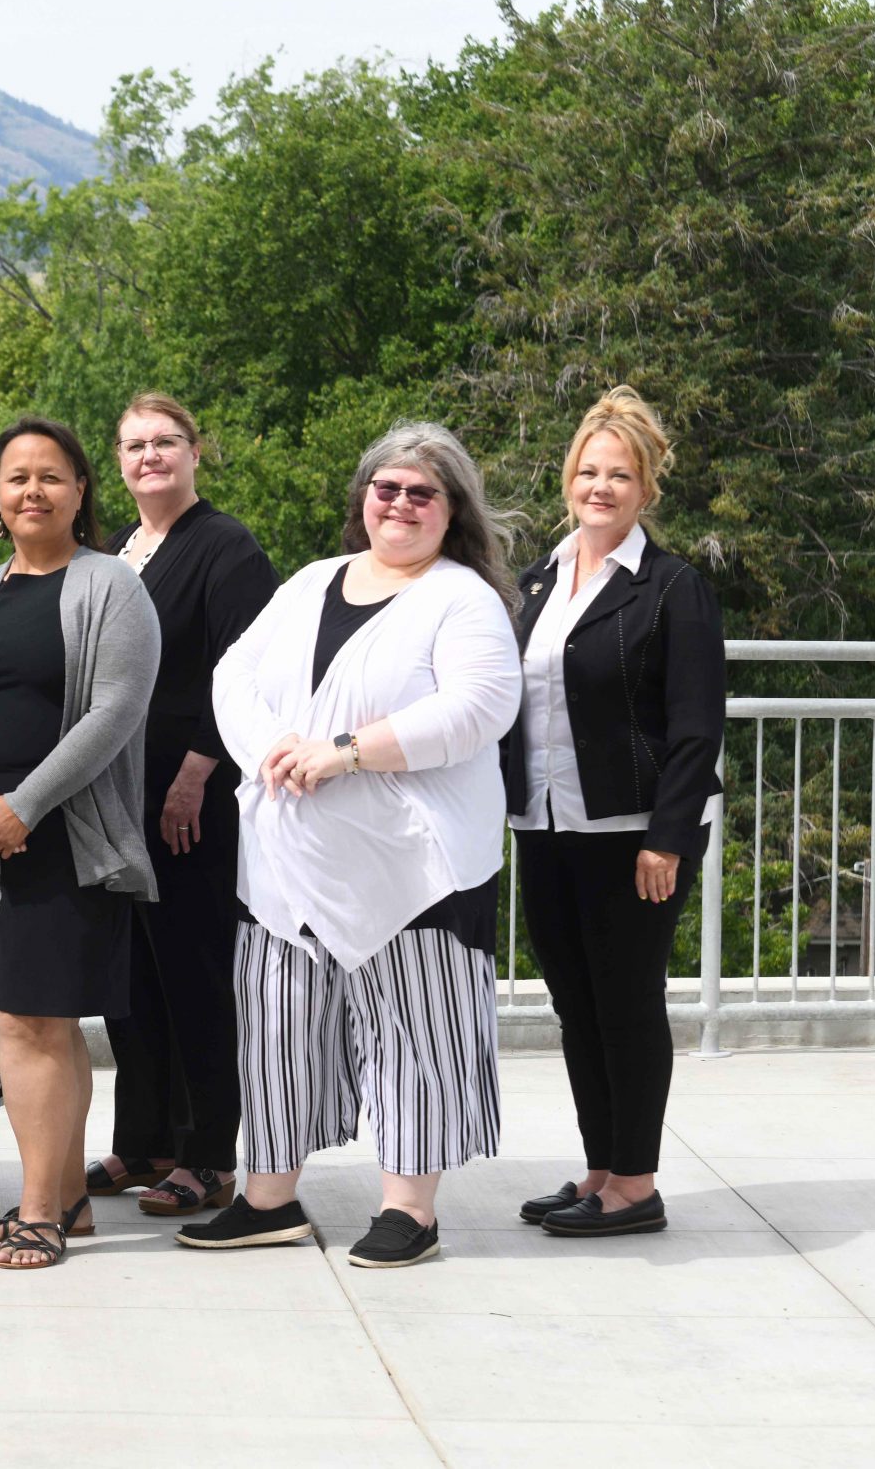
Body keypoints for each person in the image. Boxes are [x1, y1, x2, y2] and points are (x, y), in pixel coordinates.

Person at [183, 422, 521, 1269]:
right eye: (386, 487)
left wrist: (347, 751)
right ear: (363, 497)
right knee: (278, 1031)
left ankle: (410, 1208)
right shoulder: (310, 582)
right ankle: (268, 1199)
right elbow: (233, 675)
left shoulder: (462, 598)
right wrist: (271, 747)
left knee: (415, 1034)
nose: (400, 503)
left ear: (453, 510)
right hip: (285, 865)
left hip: (412, 869)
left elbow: (480, 706)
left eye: (421, 492)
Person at [0, 417, 160, 1271]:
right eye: (17, 477)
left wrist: (25, 804)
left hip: (67, 838)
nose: (33, 491)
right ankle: (69, 1200)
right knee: (38, 1024)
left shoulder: (112, 586)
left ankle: (40, 1210)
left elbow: (116, 709)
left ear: (82, 490)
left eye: (52, 475)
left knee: (32, 1022)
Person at [505, 387, 723, 1238]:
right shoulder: (537, 579)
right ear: (568, 479)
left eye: (619, 475)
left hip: (634, 836)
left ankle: (636, 1183)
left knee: (627, 1003)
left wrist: (667, 837)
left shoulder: (673, 587)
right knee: (576, 1004)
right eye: (589, 471)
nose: (601, 487)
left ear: (646, 488)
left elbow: (697, 725)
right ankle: (601, 1167)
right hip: (545, 824)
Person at [98, 395, 277, 1219]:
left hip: (191, 799)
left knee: (195, 973)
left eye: (165, 441)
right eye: (135, 444)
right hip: (116, 797)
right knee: (132, 975)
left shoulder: (225, 547)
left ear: (195, 451)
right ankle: (144, 1142)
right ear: (118, 459)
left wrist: (197, 770)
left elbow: (249, 672)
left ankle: (207, 1152)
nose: (150, 456)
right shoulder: (115, 550)